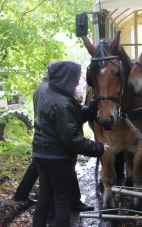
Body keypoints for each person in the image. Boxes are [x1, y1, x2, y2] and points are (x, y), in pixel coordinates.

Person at [32, 61, 108, 227]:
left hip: (41, 153)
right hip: (57, 157)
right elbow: (72, 139)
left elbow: (71, 119)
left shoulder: (51, 94)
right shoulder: (63, 102)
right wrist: (99, 149)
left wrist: (91, 107)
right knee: (62, 199)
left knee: (45, 196)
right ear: (67, 78)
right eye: (77, 78)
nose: (79, 81)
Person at [13, 62, 95, 212]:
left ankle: (22, 195)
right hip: (56, 147)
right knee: (59, 195)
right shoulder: (56, 94)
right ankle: (66, 206)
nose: (77, 82)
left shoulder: (43, 89)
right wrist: (98, 148)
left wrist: (88, 110)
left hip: (43, 142)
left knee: (46, 189)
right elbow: (67, 126)